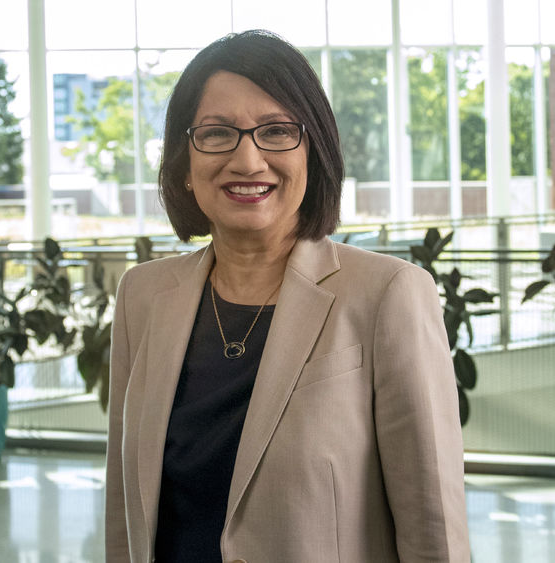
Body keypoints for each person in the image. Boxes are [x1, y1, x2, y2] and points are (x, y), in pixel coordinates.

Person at [106, 29, 470, 563]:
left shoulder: (387, 295)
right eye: (216, 134)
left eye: (276, 132)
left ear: (314, 154)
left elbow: (431, 523)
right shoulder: (143, 296)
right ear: (184, 165)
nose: (248, 161)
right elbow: (124, 507)